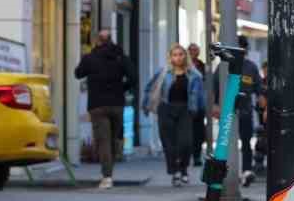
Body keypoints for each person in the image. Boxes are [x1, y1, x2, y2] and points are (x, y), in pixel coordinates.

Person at [74, 29, 134, 190]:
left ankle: (107, 176)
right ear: (111, 40)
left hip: (97, 104)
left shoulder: (90, 58)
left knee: (103, 141)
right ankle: (109, 171)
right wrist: (122, 88)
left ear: (98, 41)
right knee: (113, 139)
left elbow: (78, 73)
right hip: (117, 104)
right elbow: (133, 77)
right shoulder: (120, 57)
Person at [143, 44, 205, 186]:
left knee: (186, 143)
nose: (178, 57)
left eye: (181, 54)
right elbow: (149, 88)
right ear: (170, 57)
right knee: (169, 144)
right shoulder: (163, 72)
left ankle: (183, 169)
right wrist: (146, 106)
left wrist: (203, 111)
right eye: (175, 55)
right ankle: (175, 171)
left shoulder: (194, 75)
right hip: (166, 109)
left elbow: (200, 95)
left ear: (185, 56)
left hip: (186, 110)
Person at [211, 36, 263, 186]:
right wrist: (215, 105)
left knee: (246, 142)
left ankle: (246, 171)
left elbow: (258, 87)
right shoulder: (222, 67)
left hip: (245, 111)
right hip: (227, 111)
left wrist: (262, 98)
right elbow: (214, 86)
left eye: (241, 48)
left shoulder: (251, 67)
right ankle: (223, 174)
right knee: (224, 142)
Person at [188, 44, 209, 166]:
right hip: (186, 105)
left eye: (196, 50)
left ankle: (196, 156)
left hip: (200, 105)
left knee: (198, 132)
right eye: (191, 50)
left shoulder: (202, 66)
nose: (193, 53)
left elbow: (206, 84)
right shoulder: (183, 66)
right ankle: (186, 154)